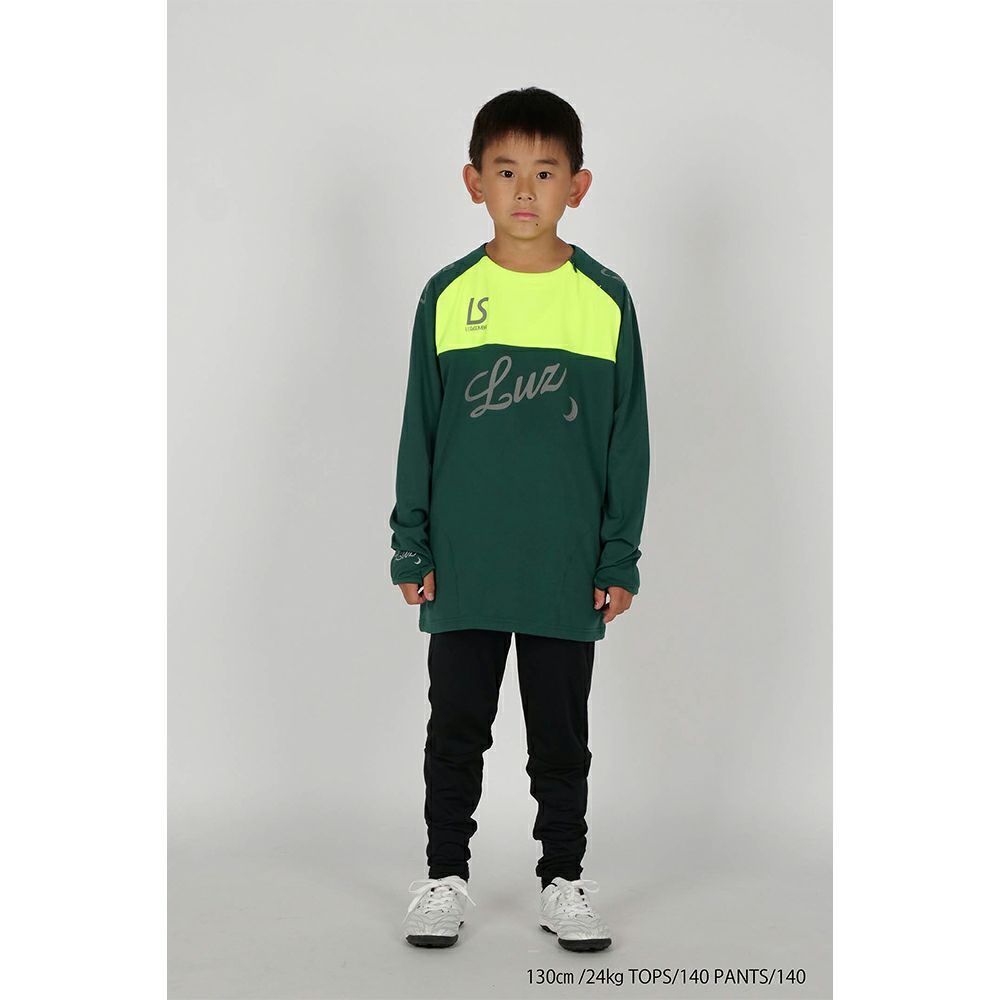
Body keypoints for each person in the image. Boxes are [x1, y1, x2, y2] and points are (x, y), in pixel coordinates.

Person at [389, 87, 650, 952]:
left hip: (564, 567)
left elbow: (627, 440)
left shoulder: (604, 301)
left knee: (560, 738)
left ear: (578, 185)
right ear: (475, 183)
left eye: (545, 172)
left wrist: (617, 556)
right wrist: (411, 543)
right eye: (506, 172)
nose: (525, 191)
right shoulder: (447, 296)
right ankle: (444, 877)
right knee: (455, 729)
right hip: (464, 563)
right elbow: (421, 429)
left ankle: (563, 879)